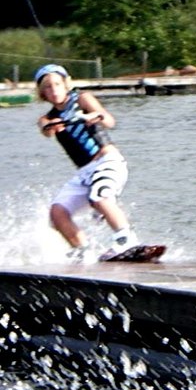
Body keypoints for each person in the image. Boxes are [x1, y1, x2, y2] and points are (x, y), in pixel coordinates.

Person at [35, 63, 138, 261]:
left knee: (99, 197)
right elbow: (46, 129)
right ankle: (82, 250)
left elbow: (109, 120)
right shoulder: (47, 117)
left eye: (57, 84)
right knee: (57, 212)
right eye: (47, 87)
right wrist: (52, 126)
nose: (53, 90)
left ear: (66, 85)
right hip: (84, 173)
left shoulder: (82, 99)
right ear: (42, 93)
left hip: (108, 162)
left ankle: (126, 240)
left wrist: (95, 116)